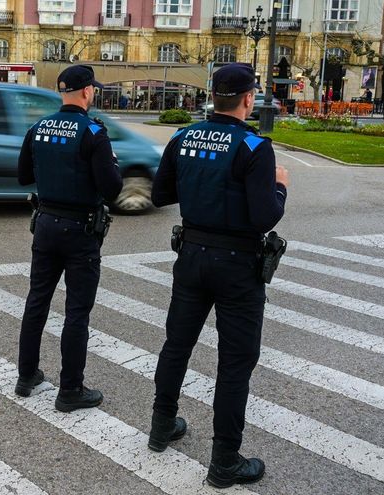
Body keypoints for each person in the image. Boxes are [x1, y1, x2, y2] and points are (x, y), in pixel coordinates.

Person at [146, 63, 289, 488]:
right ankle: (225, 460)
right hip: (237, 266)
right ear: (249, 98)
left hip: (191, 255)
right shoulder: (254, 147)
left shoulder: (182, 136)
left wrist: (199, 188)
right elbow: (265, 216)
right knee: (235, 362)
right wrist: (280, 186)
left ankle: (161, 425)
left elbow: (160, 194)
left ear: (214, 96)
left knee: (177, 344)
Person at [14, 65, 123, 412]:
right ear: (88, 91)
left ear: (63, 92)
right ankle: (70, 390)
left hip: (45, 224)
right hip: (80, 231)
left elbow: (22, 176)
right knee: (77, 311)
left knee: (37, 301)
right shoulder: (94, 132)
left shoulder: (39, 127)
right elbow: (113, 189)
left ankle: (26, 375)